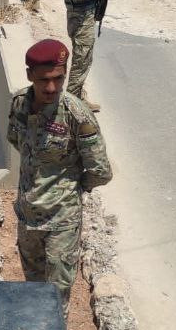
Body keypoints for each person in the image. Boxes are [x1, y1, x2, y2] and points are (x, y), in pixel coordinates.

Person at [7, 39, 112, 305]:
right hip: (27, 216)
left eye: (58, 78)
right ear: (30, 75)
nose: (52, 87)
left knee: (55, 298)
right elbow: (16, 140)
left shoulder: (77, 115)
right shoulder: (20, 103)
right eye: (44, 80)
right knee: (33, 291)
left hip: (61, 222)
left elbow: (100, 171)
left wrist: (69, 188)